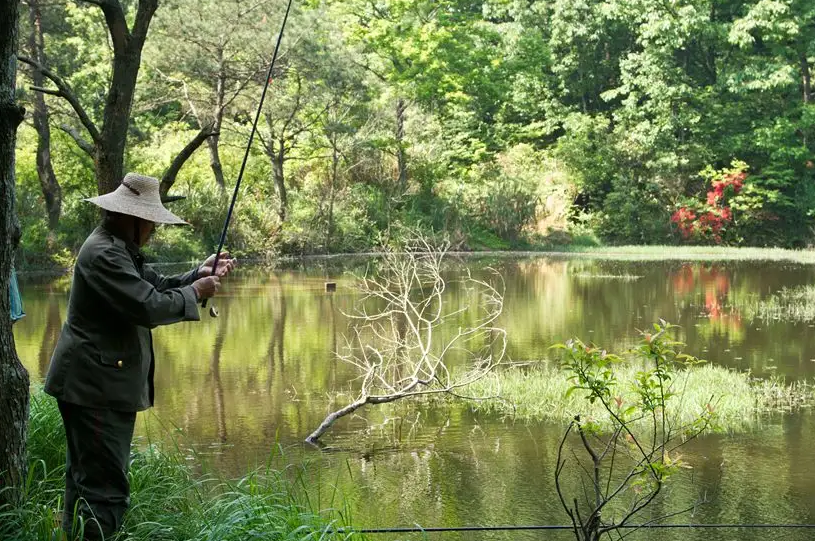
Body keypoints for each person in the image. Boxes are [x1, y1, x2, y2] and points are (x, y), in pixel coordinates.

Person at [44, 173, 237, 540]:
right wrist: (196, 292)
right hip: (95, 391)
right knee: (105, 494)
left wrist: (199, 273)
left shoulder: (117, 247)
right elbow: (148, 306)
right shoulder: (105, 254)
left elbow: (157, 287)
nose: (153, 230)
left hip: (94, 387)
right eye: (150, 222)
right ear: (129, 219)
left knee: (87, 484)